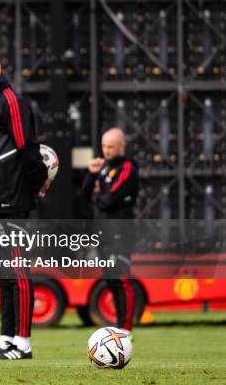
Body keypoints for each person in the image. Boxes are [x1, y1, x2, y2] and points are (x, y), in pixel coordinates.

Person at [0, 46, 48, 360]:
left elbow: (27, 147)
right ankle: (6, 340)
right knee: (2, 272)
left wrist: (39, 181)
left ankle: (23, 344)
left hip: (11, 201)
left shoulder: (11, 101)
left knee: (18, 272)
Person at [81, 127, 138, 335]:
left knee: (122, 279)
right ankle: (119, 328)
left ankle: (125, 331)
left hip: (120, 232)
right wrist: (90, 173)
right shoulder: (103, 167)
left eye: (111, 146)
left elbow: (110, 198)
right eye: (104, 146)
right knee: (110, 280)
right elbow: (85, 195)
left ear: (121, 146)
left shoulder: (128, 167)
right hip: (103, 234)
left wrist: (100, 197)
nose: (106, 150)